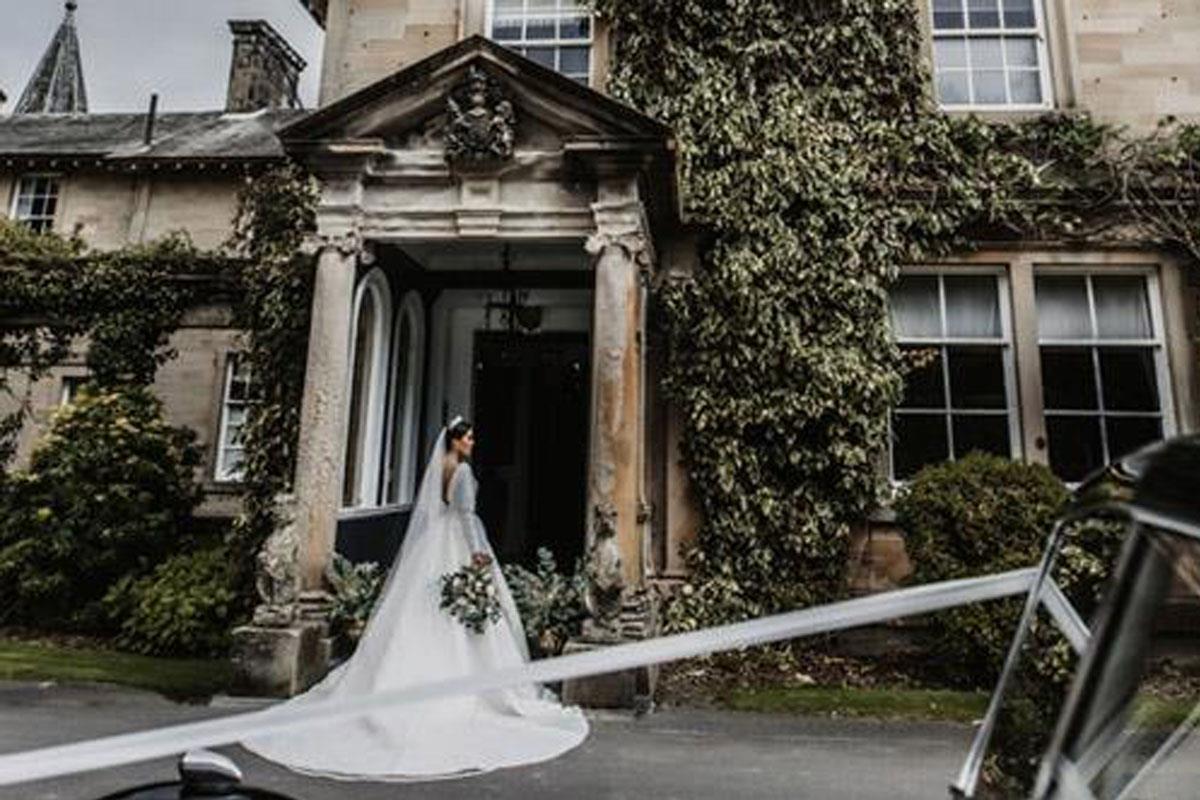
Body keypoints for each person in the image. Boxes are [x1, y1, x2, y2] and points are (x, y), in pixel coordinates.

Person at [242, 417, 589, 781]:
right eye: (468, 438)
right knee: (463, 611)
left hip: (433, 546)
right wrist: (478, 556)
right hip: (457, 543)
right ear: (455, 441)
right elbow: (468, 518)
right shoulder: (464, 472)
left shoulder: (441, 467)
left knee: (420, 611)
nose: (472, 443)